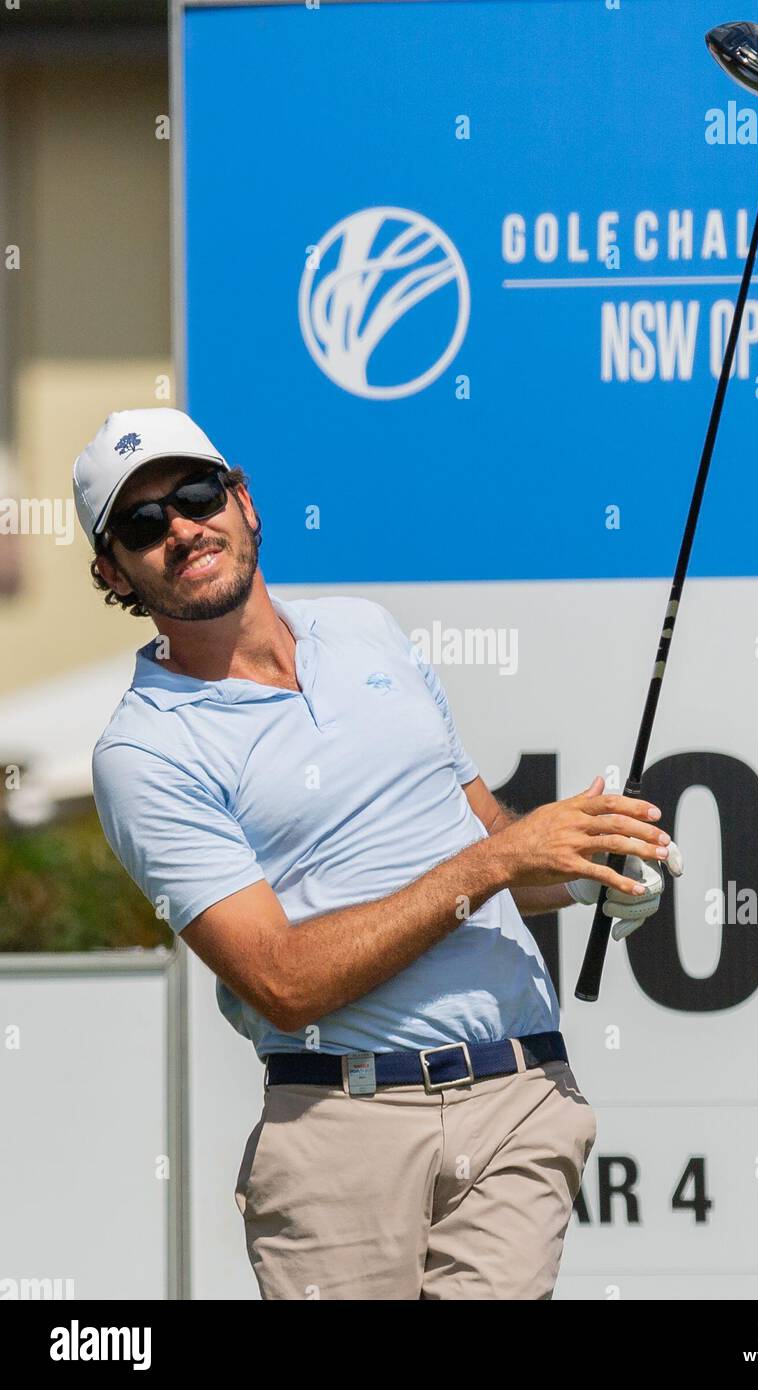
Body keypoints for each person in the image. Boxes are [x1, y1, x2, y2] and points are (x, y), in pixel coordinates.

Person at [74, 407, 680, 1300]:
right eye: (141, 523)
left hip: (518, 1096)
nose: (181, 529)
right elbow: (282, 980)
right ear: (111, 571)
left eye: (197, 495)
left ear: (243, 501)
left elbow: (481, 841)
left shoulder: (367, 630)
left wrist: (588, 867)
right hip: (337, 1130)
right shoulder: (141, 753)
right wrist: (501, 864)